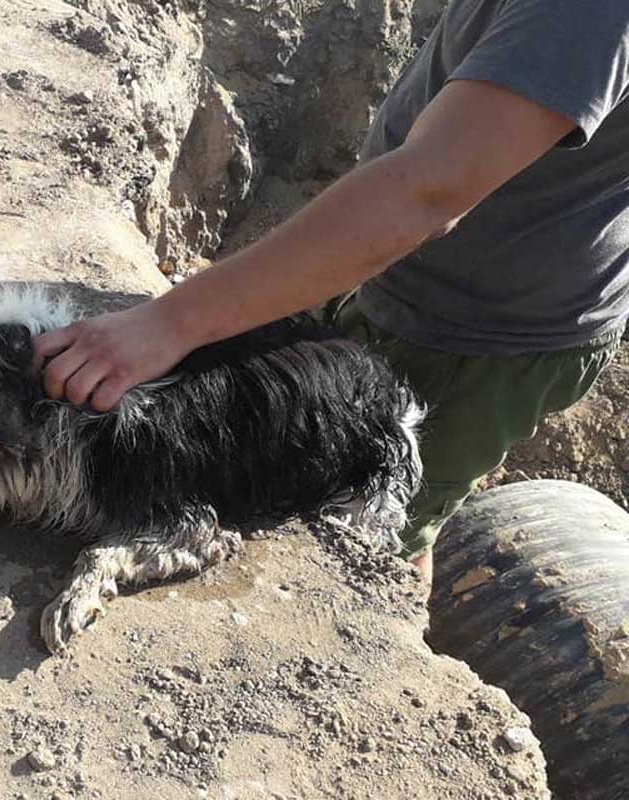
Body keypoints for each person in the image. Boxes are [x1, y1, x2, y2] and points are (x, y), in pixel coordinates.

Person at [32, 0, 629, 585]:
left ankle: (395, 650)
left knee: (380, 532)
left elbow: (427, 192)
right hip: (384, 266)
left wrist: (170, 323)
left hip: (475, 335)